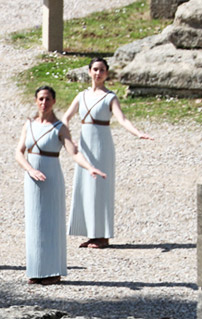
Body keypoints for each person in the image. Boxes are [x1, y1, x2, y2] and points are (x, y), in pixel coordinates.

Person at [15, 86, 106, 285]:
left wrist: (90, 167)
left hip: (52, 177)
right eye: (40, 99)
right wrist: (30, 169)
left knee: (51, 224)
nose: (44, 103)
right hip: (32, 180)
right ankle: (36, 270)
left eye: (48, 99)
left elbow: (74, 152)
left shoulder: (59, 127)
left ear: (54, 101)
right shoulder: (28, 125)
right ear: (35, 100)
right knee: (34, 224)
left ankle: (53, 271)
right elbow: (19, 152)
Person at [63, 58, 152, 249]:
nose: (98, 73)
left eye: (102, 70)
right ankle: (90, 233)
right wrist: (68, 138)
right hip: (85, 146)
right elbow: (66, 118)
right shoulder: (81, 96)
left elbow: (122, 119)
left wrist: (137, 133)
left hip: (102, 146)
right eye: (95, 69)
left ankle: (102, 236)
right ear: (89, 72)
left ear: (107, 73)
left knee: (100, 189)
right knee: (85, 187)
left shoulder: (110, 97)